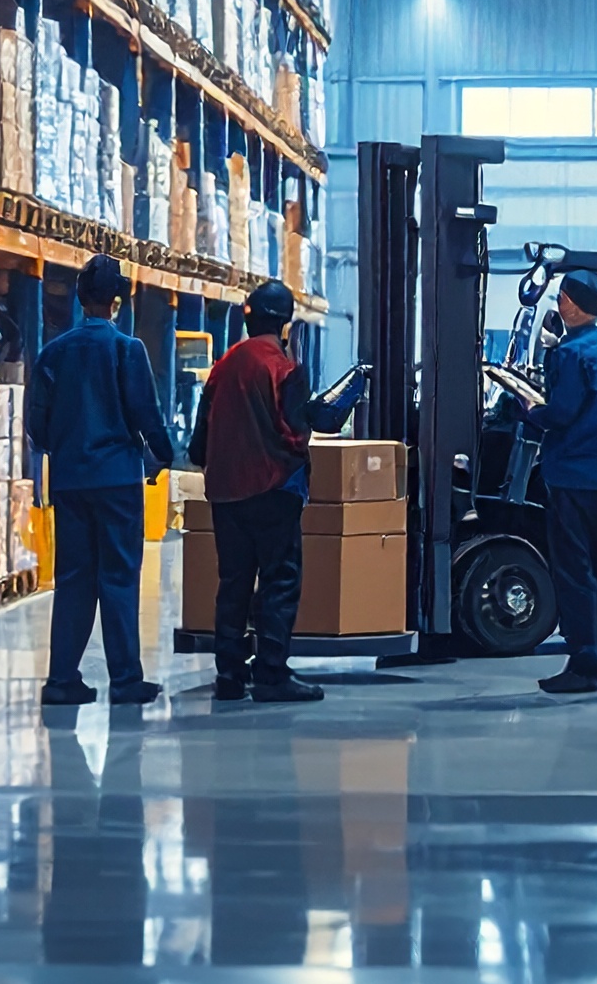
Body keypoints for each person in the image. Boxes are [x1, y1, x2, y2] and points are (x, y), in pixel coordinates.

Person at [188, 280, 364, 703]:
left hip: (226, 494)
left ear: (248, 317)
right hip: (273, 490)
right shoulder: (285, 369)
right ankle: (271, 673)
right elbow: (296, 431)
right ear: (286, 322)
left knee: (232, 583)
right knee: (278, 582)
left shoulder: (223, 366)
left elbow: (199, 444)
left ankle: (229, 675)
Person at [26, 253, 176, 707]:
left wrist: (69, 448)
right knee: (118, 577)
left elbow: (37, 426)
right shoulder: (127, 350)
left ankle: (61, 680)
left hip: (70, 482)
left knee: (73, 578)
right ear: (118, 302)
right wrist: (164, 457)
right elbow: (146, 414)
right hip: (117, 482)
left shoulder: (53, 353)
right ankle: (126, 680)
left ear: (79, 297)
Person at [520, 267, 597, 696]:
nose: (557, 304)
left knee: (574, 573)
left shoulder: (570, 354)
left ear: (571, 302)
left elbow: (561, 414)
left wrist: (530, 408)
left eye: (560, 297)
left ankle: (582, 663)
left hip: (571, 475)